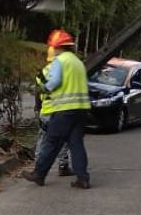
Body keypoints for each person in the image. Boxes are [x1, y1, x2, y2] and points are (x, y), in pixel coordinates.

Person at [22, 29, 91, 189]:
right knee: (76, 144)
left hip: (64, 110)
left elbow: (55, 82)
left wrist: (44, 89)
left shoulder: (60, 61)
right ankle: (83, 178)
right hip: (81, 110)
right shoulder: (78, 62)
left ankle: (39, 174)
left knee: (51, 142)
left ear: (57, 47)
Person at [33, 43, 72, 176]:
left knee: (43, 140)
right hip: (61, 110)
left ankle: (37, 167)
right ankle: (63, 165)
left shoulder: (42, 73)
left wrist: (38, 109)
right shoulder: (66, 71)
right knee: (63, 139)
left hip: (46, 111)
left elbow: (38, 94)